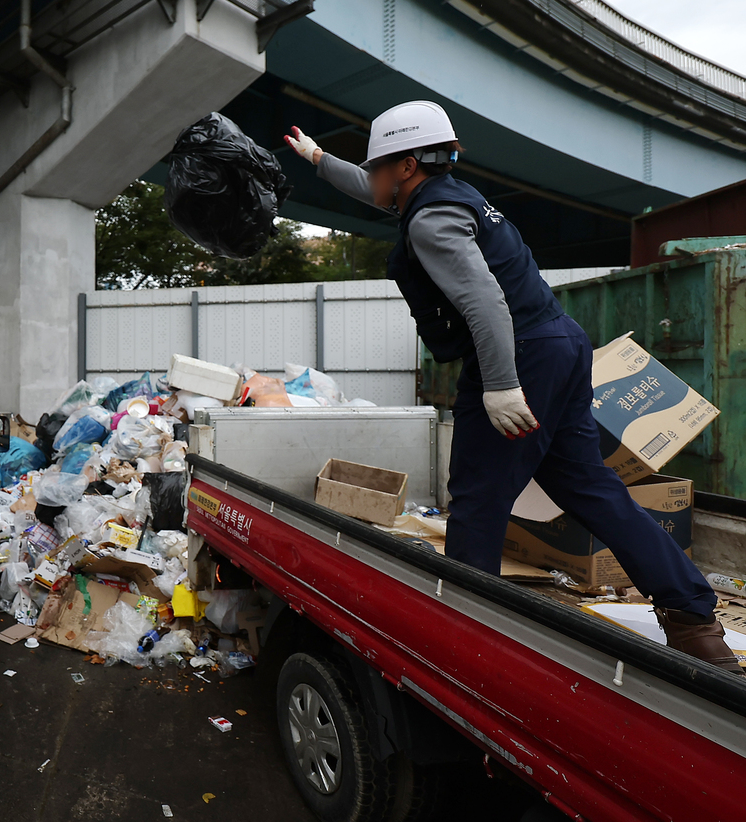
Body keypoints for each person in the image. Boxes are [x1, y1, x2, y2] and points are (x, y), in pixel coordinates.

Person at [285, 101, 741, 675]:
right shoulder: (447, 195)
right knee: (588, 485)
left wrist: (500, 385)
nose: (371, 173)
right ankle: (695, 621)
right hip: (560, 341)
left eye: (377, 164)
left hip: (520, 355)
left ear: (406, 167)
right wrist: (321, 160)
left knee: (478, 498)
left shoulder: (429, 220)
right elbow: (376, 187)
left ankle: (471, 636)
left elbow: (483, 301)